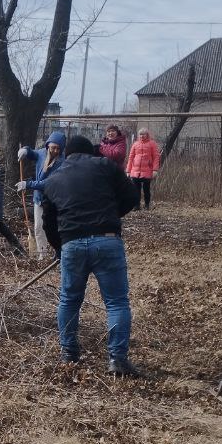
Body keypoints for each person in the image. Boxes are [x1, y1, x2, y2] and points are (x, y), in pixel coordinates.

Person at [41, 134, 140, 375]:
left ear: (67, 154)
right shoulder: (104, 166)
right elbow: (132, 196)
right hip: (107, 240)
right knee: (116, 302)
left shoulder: (53, 179)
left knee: (69, 299)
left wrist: (59, 247)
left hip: (72, 244)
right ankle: (117, 360)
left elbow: (48, 221)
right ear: (92, 152)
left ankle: (69, 353)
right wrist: (111, 216)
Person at [16, 130, 66, 259]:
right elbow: (33, 153)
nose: (54, 150)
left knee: (54, 228)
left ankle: (59, 252)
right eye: (52, 147)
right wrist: (25, 151)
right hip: (39, 199)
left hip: (55, 201)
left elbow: (49, 183)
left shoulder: (62, 162)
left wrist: (28, 184)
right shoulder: (42, 154)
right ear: (48, 145)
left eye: (57, 148)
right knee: (38, 228)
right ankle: (42, 254)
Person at [126, 127, 161, 209]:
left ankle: (147, 205)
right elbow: (131, 157)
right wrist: (128, 170)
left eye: (144, 134)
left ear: (147, 135)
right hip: (135, 171)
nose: (142, 136)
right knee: (136, 190)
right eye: (140, 134)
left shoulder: (152, 144)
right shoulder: (135, 144)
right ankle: (137, 205)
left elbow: (156, 157)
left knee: (146, 189)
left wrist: (155, 169)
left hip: (147, 170)